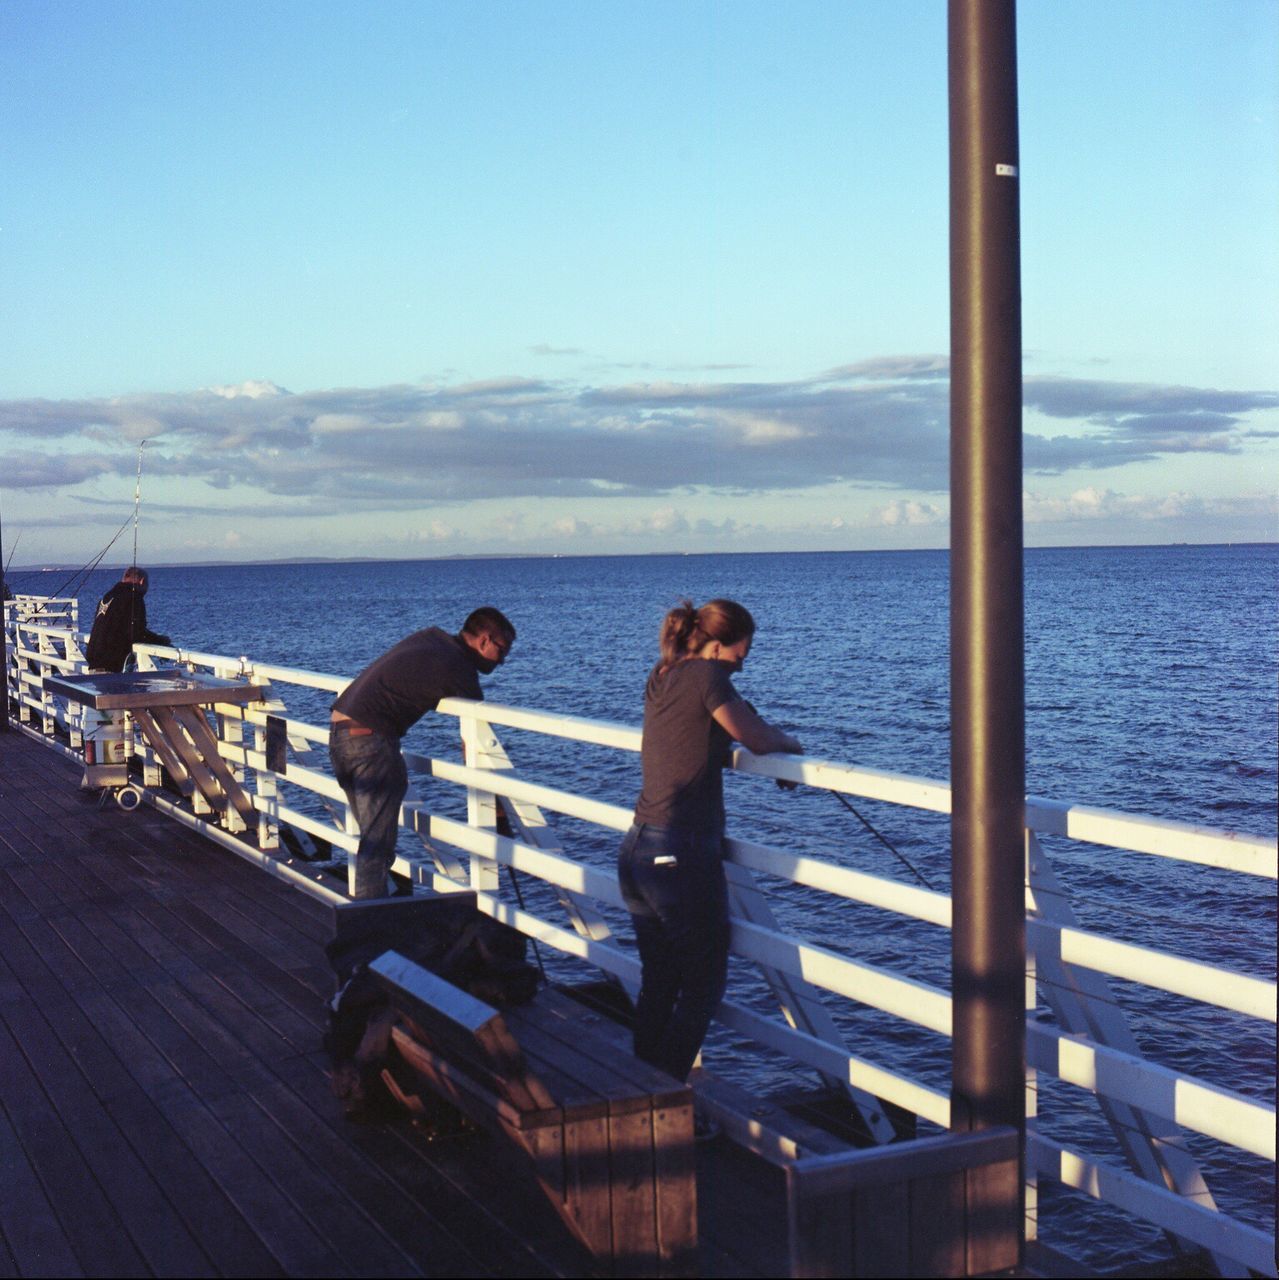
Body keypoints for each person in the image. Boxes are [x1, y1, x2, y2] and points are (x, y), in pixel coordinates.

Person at [617, 598, 802, 1082]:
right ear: (720, 644)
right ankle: (667, 1092)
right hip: (678, 853)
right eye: (745, 647)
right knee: (703, 983)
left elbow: (698, 732)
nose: (747, 657)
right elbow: (757, 738)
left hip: (638, 846)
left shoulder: (663, 674)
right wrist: (790, 746)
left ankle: (643, 1084)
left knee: (660, 979)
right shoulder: (709, 678)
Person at [329, 607, 516, 900]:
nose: (503, 661)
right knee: (376, 848)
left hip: (341, 735)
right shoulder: (459, 667)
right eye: (502, 650)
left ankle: (370, 915)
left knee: (371, 840)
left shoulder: (431, 637)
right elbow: (476, 745)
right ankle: (367, 932)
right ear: (485, 640)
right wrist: (499, 814)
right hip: (370, 743)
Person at [85, 566, 170, 672]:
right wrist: (161, 641)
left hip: (94, 661)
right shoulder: (134, 597)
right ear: (142, 581)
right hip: (110, 665)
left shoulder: (108, 596)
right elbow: (137, 633)